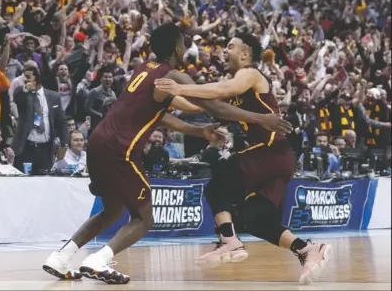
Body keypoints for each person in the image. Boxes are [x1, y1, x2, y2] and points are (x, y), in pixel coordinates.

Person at [42, 23, 292, 285]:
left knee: (112, 210)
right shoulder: (173, 76)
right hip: (120, 149)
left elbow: (166, 116)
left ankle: (60, 257)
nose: (187, 47)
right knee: (144, 218)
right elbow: (214, 106)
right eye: (184, 42)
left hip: (98, 142)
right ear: (176, 47)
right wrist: (260, 118)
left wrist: (201, 132)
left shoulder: (144, 70)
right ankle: (98, 261)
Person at [155, 33, 331, 284]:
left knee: (220, 179)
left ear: (246, 54)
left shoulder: (250, 74)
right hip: (278, 159)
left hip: (270, 150)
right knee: (256, 218)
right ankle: (307, 249)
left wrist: (179, 86)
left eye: (230, 47)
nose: (224, 51)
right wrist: (167, 97)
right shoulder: (235, 80)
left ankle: (229, 241)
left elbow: (221, 89)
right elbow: (197, 105)